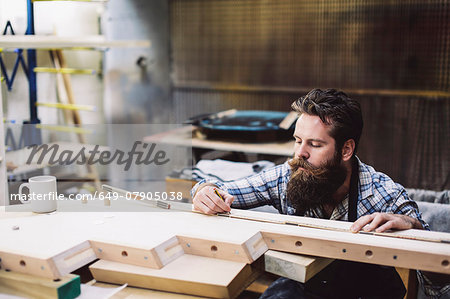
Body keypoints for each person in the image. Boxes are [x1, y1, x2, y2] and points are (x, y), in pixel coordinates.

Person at [191, 89, 429, 298]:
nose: (300, 154)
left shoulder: (382, 195)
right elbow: (223, 190)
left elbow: (439, 276)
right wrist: (204, 191)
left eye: (314, 145)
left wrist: (413, 227)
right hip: (304, 291)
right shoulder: (289, 176)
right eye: (297, 140)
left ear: (346, 149)